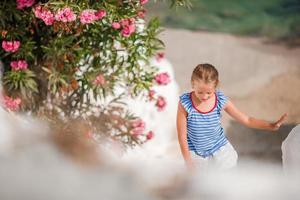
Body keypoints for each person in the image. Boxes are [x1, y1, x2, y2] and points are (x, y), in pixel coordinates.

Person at [176, 63, 287, 170]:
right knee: (200, 183)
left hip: (219, 148)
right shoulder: (185, 103)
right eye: (200, 92)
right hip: (196, 152)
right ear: (192, 84)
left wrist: (270, 125)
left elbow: (247, 120)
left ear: (216, 86)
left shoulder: (219, 100)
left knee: (224, 179)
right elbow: (182, 135)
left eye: (209, 92)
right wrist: (188, 162)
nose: (204, 96)